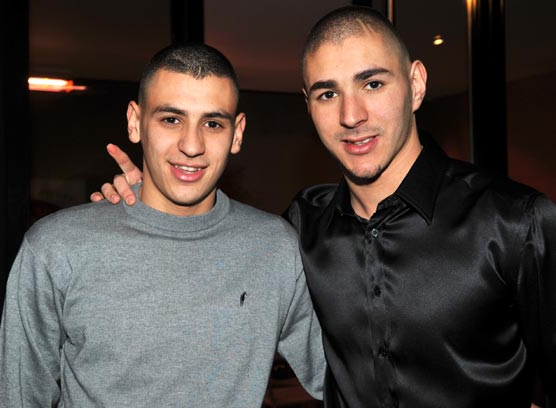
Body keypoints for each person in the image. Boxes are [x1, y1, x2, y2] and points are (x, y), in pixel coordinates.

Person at [92, 6, 556, 408]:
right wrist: (150, 200)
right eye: (328, 93)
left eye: (372, 83)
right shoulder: (300, 226)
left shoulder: (517, 221)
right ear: (309, 105)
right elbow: (216, 256)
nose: (351, 116)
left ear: (415, 85)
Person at [0, 43, 325, 407]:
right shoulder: (56, 248)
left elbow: (349, 379)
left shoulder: (276, 249)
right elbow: (18, 398)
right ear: (135, 122)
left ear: (237, 133)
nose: (192, 145)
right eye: (171, 119)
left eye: (212, 123)